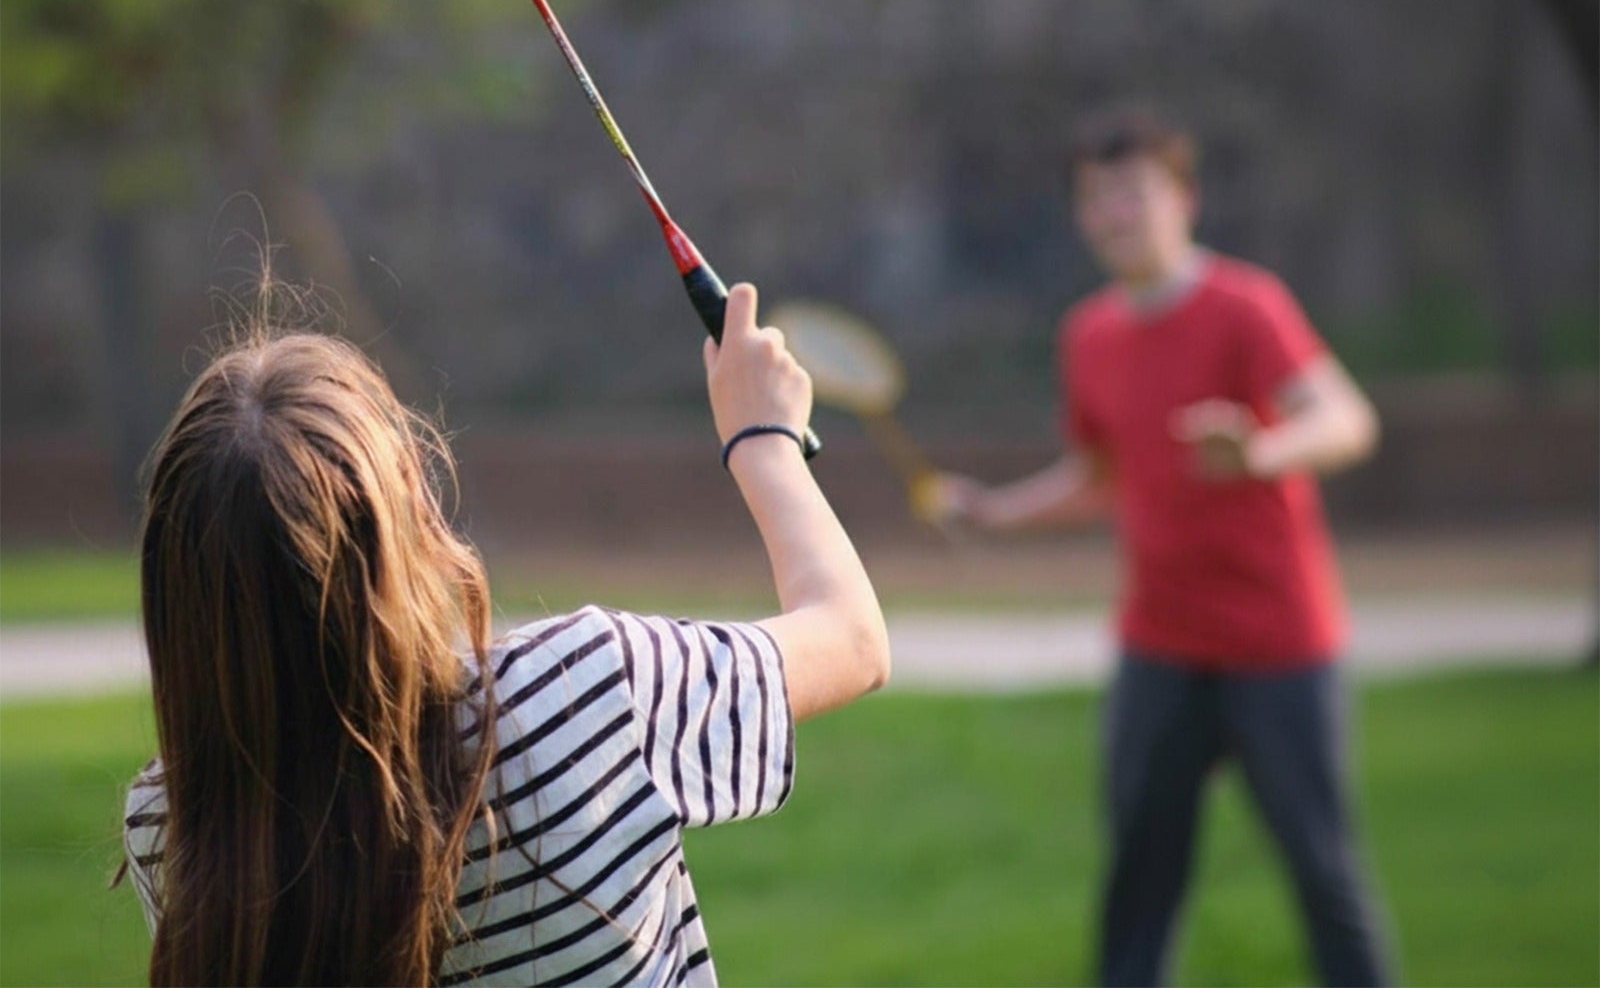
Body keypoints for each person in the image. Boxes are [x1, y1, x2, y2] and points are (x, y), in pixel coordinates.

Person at [120, 282, 888, 987]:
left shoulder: (172, 823)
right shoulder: (586, 692)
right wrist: (762, 437)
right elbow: (853, 639)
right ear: (411, 512)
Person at [933, 110, 1394, 988]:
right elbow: (1101, 475)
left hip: (1280, 649)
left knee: (1324, 875)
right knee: (1139, 888)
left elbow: (1347, 419)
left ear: (1184, 200)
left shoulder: (1248, 307)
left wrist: (1259, 451)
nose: (1115, 214)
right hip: (1159, 651)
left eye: (1133, 193)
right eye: (1095, 199)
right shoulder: (1090, 335)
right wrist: (994, 513)